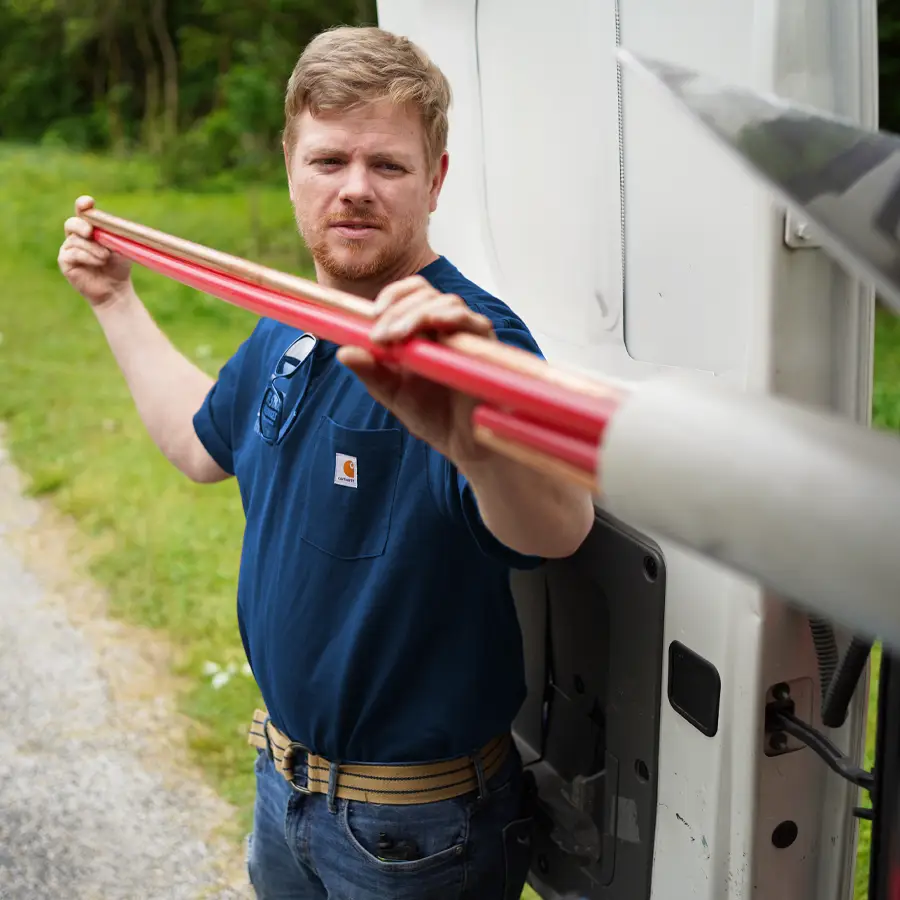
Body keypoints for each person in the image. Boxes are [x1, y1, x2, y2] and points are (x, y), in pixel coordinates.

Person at [58, 25, 595, 900]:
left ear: (436, 180)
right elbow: (203, 447)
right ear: (289, 165)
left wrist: (468, 440)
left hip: (417, 836)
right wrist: (116, 302)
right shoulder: (293, 314)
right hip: (286, 794)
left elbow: (557, 526)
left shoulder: (468, 339)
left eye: (387, 165)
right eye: (329, 160)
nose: (355, 189)